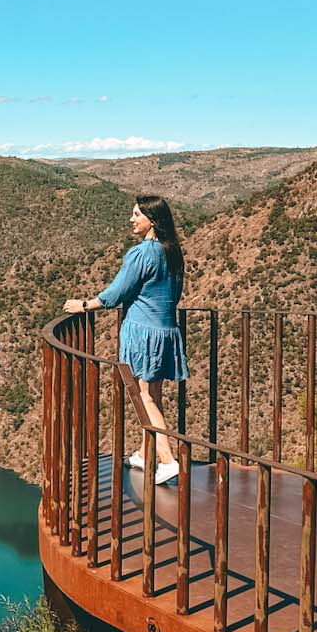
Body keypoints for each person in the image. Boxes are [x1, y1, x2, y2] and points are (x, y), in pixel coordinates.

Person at [65, 194, 188, 485]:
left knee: (143, 397)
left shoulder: (142, 253)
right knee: (153, 396)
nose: (131, 219)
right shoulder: (171, 251)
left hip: (143, 333)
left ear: (152, 220)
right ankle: (147, 454)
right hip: (166, 330)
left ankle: (169, 461)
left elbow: (117, 292)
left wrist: (85, 304)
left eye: (136, 214)